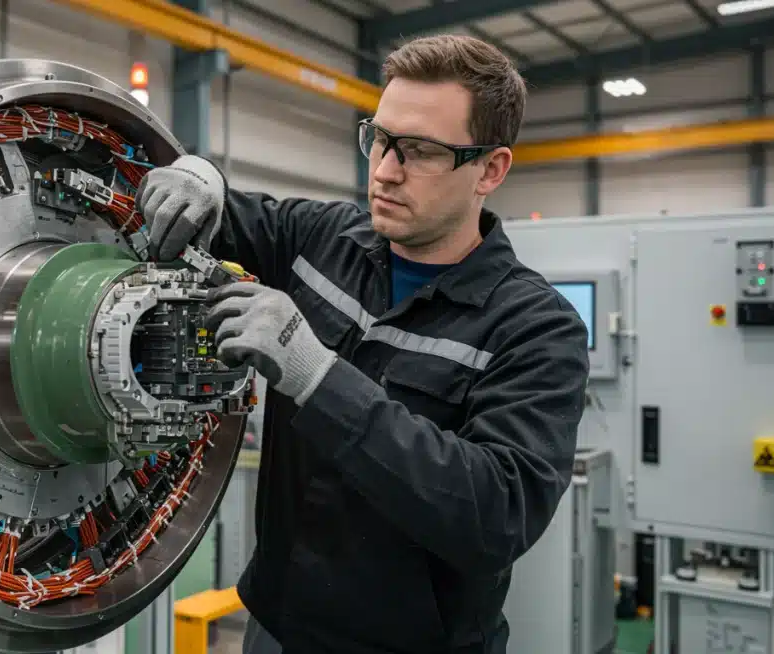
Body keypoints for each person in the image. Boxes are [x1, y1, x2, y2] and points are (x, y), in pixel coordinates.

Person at [136, 33, 590, 654]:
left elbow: (496, 514)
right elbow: (222, 214)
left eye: (421, 152)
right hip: (274, 628)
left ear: (491, 169)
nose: (383, 171)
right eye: (379, 138)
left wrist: (318, 377)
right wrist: (197, 175)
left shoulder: (536, 328)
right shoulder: (322, 238)